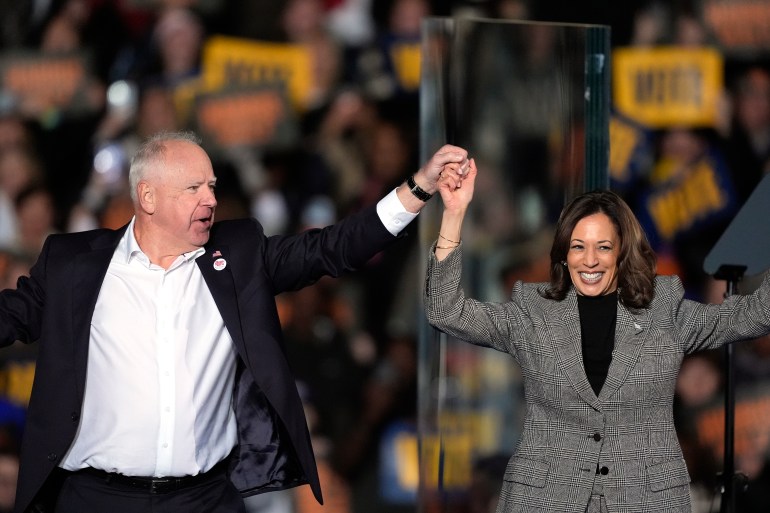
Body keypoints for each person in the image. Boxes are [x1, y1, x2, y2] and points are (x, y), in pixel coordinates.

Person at [0, 130, 469, 513]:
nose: (210, 199)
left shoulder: (239, 256)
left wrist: (420, 186)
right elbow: (11, 316)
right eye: (193, 188)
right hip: (95, 501)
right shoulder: (74, 265)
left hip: (204, 500)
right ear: (148, 197)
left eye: (212, 187)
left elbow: (336, 247)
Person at [423, 159, 770, 513]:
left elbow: (756, 315)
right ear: (563, 252)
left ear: (623, 251)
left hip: (645, 501)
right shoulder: (533, 314)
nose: (590, 261)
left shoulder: (664, 311)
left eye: (603, 247)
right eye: (578, 247)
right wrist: (453, 214)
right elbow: (446, 311)